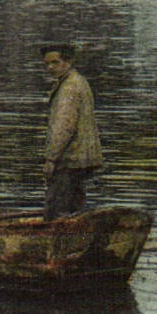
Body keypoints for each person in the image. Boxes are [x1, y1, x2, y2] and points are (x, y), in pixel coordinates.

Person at [40, 43, 103, 220]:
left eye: (55, 62)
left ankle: (56, 244)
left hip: (69, 159)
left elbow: (63, 127)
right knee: (75, 209)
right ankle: (77, 242)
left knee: (56, 210)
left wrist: (51, 159)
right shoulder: (79, 81)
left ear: (68, 61)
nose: (50, 68)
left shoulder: (69, 88)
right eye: (47, 64)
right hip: (82, 160)